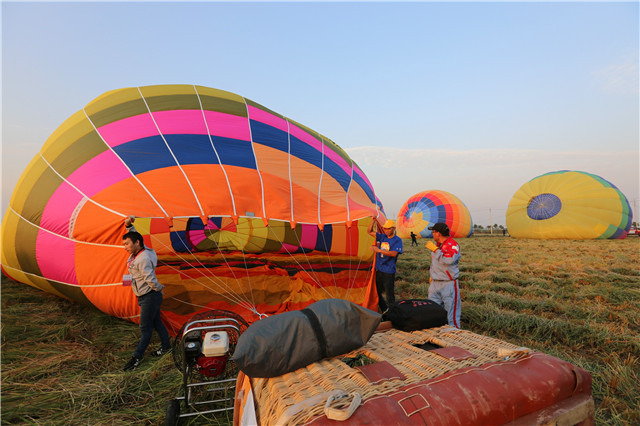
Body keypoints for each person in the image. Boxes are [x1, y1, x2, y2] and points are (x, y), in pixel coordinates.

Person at [122, 216, 172, 371]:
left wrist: (159, 288)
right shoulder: (141, 248)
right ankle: (166, 347)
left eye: (127, 244)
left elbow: (150, 279)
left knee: (145, 329)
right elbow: (135, 234)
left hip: (149, 296)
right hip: (147, 296)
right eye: (124, 244)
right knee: (157, 322)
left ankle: (137, 357)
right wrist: (129, 225)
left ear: (137, 243)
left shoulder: (143, 258)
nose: (125, 247)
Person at [424, 222, 461, 328]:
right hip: (435, 283)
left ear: (438, 233)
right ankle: (436, 337)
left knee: (452, 317)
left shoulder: (452, 245)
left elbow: (449, 260)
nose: (432, 234)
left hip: (447, 284)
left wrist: (436, 251)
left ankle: (455, 338)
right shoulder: (439, 245)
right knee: (431, 313)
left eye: (433, 232)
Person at [368, 218, 403, 314]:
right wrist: (373, 221)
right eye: (385, 228)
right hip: (379, 270)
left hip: (388, 271)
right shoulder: (383, 237)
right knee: (377, 293)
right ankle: (385, 310)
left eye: (388, 229)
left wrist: (378, 250)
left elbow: (394, 254)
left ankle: (394, 315)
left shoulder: (397, 240)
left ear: (394, 228)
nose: (386, 230)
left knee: (389, 295)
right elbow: (369, 232)